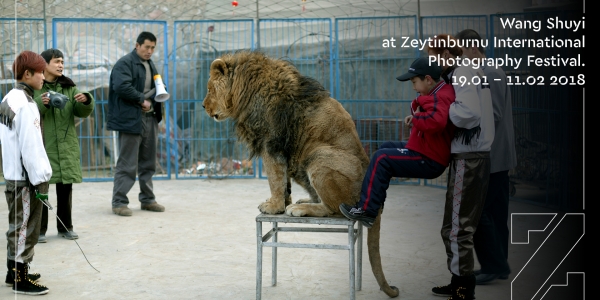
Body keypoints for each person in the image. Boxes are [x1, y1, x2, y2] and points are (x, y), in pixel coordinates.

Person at [339, 57, 455, 228]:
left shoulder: (440, 96)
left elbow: (436, 121)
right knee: (386, 147)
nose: (414, 87)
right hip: (424, 149)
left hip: (430, 158)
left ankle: (366, 210)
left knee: (381, 157)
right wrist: (417, 113)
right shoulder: (435, 93)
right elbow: (428, 113)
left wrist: (417, 117)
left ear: (428, 79)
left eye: (414, 82)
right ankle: (375, 202)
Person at [427, 34, 495, 300]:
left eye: (432, 55)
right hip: (471, 155)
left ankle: (463, 288)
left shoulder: (463, 72)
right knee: (455, 225)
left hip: (470, 156)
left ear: (444, 54)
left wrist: (441, 113)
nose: (430, 62)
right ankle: (459, 281)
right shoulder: (466, 71)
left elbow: (469, 113)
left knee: (457, 228)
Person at [455, 29, 517, 285]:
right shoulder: (484, 71)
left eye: (460, 52)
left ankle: (495, 264)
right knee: (495, 212)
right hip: (496, 156)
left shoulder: (490, 73)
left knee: (482, 213)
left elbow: (492, 115)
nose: (458, 58)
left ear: (471, 48)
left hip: (492, 157)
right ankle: (499, 264)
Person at [1, 50, 52, 295]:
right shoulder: (27, 104)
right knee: (26, 228)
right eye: (40, 72)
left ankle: (14, 272)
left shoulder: (9, 98)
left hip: (13, 174)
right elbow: (30, 146)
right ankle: (21, 279)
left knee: (17, 224)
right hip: (26, 178)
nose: (43, 76)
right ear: (27, 73)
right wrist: (39, 179)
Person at [33, 48, 95, 242]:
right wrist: (41, 103)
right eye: (57, 61)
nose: (61, 65)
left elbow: (81, 112)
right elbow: (26, 110)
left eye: (62, 62)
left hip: (66, 146)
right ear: (44, 65)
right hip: (43, 145)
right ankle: (39, 230)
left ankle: (65, 227)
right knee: (41, 189)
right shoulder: (36, 86)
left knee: (65, 188)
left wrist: (85, 100)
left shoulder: (69, 87)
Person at [107, 31, 165, 216]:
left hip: (150, 118)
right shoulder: (125, 63)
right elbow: (121, 86)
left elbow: (156, 86)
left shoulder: (150, 64)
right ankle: (119, 202)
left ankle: (148, 200)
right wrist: (141, 99)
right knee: (127, 163)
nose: (149, 51)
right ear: (137, 45)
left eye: (153, 48)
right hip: (131, 120)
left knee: (148, 162)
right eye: (147, 47)